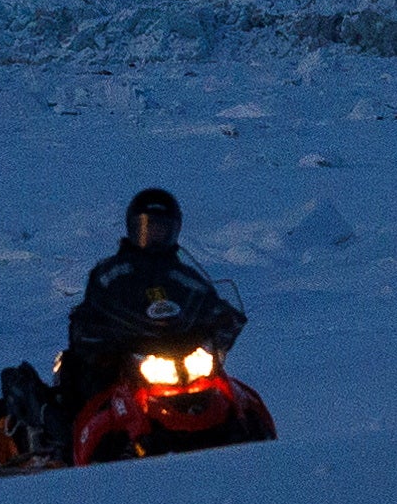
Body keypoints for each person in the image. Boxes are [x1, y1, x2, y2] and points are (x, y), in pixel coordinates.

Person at [21, 187, 244, 451]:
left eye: (161, 227)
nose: (154, 234)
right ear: (133, 226)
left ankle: (251, 436)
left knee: (229, 392)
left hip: (180, 356)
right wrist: (93, 333)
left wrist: (223, 318)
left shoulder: (183, 275)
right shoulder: (113, 272)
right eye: (148, 226)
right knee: (89, 388)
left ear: (174, 229)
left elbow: (206, 298)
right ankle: (80, 447)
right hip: (128, 359)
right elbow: (91, 309)